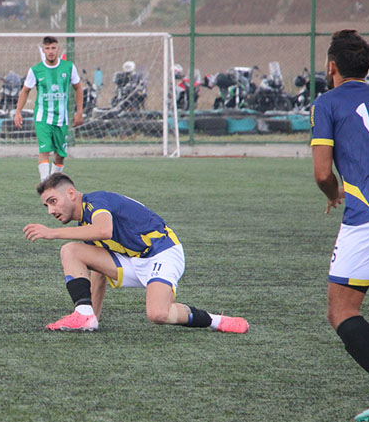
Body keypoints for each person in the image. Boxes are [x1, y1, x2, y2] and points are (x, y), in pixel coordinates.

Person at [23, 173, 249, 334]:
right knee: (72, 251)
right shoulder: (85, 224)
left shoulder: (96, 202)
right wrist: (93, 316)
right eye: (47, 206)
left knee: (158, 315)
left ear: (71, 193)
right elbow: (99, 275)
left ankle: (216, 321)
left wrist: (52, 233)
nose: (51, 210)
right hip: (133, 260)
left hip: (162, 253)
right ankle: (83, 314)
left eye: (53, 201)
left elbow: (105, 229)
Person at [310, 29, 369, 422]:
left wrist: (334, 192)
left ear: (331, 66)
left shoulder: (327, 103)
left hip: (365, 218)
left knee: (342, 310)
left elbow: (321, 173)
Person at [14, 36, 84, 182]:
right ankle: (46, 184)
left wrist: (79, 112)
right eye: (47, 48)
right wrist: (18, 112)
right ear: (43, 50)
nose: (50, 51)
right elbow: (25, 90)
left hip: (61, 118)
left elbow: (78, 88)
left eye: (53, 48)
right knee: (44, 150)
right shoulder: (36, 70)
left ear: (58, 49)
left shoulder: (69, 67)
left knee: (60, 155)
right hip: (42, 117)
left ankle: (54, 180)